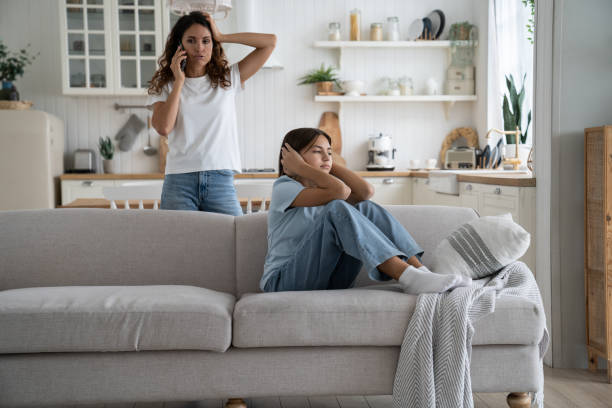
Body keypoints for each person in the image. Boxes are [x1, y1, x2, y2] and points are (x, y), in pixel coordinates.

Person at [261, 128, 471, 294]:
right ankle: (409, 277)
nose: (326, 157)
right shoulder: (285, 186)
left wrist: (325, 162)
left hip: (328, 280)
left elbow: (365, 192)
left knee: (364, 207)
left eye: (330, 152)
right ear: (293, 159)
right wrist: (302, 168)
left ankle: (421, 272)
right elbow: (340, 191)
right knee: (338, 207)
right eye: (317, 151)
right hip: (283, 282)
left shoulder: (323, 188)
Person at [147, 11, 276, 215]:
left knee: (233, 239)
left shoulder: (228, 79)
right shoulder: (165, 85)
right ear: (179, 46)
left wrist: (223, 36)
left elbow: (269, 42)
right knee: (177, 246)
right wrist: (179, 81)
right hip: (179, 180)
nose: (200, 47)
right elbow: (163, 127)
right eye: (191, 40)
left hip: (220, 178)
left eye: (206, 41)